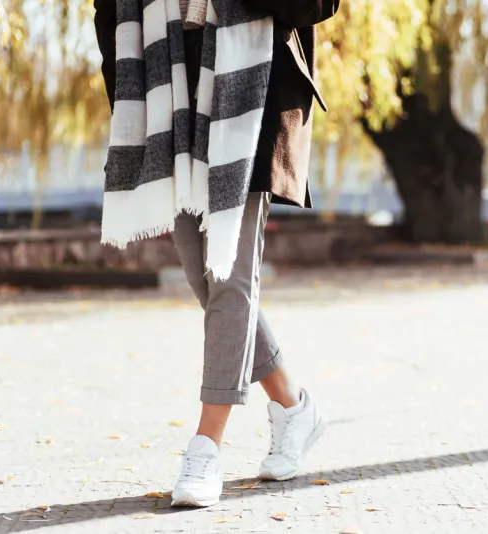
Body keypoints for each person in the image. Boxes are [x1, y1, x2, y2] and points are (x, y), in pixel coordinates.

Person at [94, 0, 339, 507]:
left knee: (230, 275)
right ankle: (294, 407)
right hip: (167, 82)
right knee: (201, 270)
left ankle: (206, 447)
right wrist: (125, 91)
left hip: (249, 85)